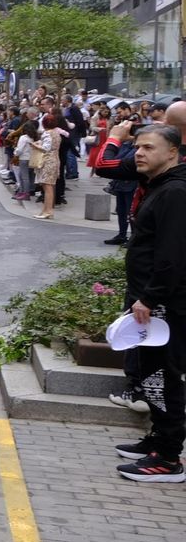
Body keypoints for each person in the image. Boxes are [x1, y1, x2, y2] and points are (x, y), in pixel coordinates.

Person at [114, 124, 186, 482]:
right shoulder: (159, 186)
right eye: (137, 146)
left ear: (172, 151)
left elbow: (172, 254)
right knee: (150, 375)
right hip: (149, 302)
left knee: (163, 377)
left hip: (162, 306)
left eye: (147, 148)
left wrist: (150, 297)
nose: (138, 153)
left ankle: (168, 458)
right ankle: (157, 440)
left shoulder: (175, 192)